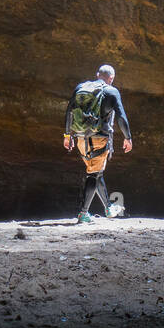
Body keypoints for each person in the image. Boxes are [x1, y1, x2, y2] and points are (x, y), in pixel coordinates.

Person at [62, 64, 132, 224]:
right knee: (93, 174)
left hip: (80, 139)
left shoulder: (81, 87)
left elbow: (69, 111)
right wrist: (128, 137)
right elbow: (121, 117)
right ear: (111, 78)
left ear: (97, 74)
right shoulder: (111, 91)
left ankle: (108, 207)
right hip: (99, 140)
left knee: (96, 170)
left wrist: (67, 135)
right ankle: (83, 213)